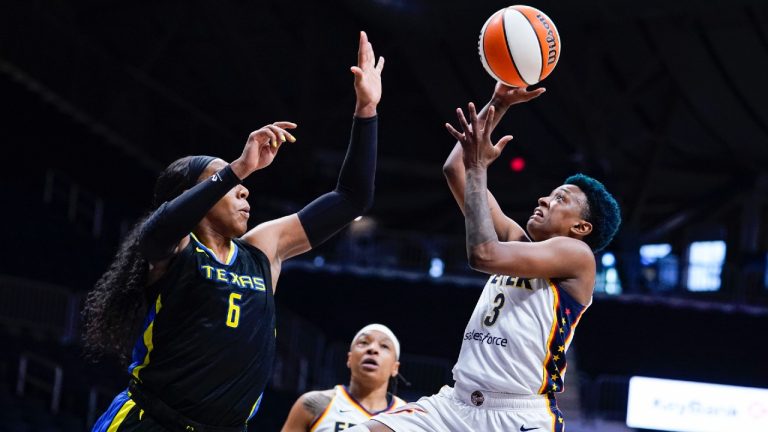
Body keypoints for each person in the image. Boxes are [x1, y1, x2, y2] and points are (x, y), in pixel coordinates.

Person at [84, 31, 385, 432]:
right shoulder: (175, 249)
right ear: (195, 196)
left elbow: (352, 199)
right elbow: (156, 231)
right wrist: (238, 167)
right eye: (221, 180)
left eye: (237, 180)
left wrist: (366, 110)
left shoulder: (262, 247)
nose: (242, 188)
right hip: (151, 421)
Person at [348, 83, 621, 432]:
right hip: (455, 404)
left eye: (560, 199)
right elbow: (455, 170)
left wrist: (480, 168)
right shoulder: (517, 241)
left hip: (518, 416)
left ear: (581, 227)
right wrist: (499, 104)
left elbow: (482, 254)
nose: (543, 200)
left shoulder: (577, 256)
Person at [280, 324, 407, 432]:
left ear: (395, 368)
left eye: (384, 346)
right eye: (363, 342)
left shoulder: (407, 415)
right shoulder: (313, 403)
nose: (372, 349)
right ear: (349, 359)